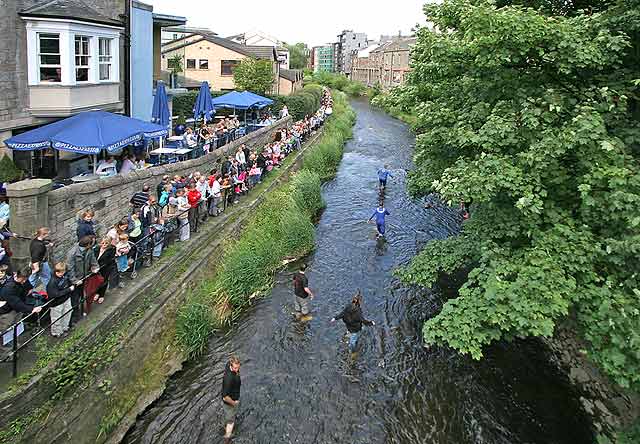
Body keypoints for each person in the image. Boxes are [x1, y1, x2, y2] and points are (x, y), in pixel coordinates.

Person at [66, 236, 99, 324]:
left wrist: (95, 267)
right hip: (77, 280)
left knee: (83, 295)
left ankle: (83, 311)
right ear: (87, 245)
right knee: (75, 299)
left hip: (85, 277)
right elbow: (70, 269)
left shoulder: (89, 250)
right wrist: (74, 281)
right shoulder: (72, 253)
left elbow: (93, 260)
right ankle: (74, 318)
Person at [0, 269, 42, 336]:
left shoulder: (23, 278)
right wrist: (32, 309)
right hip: (7, 313)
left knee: (16, 326)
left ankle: (15, 343)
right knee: (6, 331)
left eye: (26, 279)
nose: (24, 281)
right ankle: (7, 346)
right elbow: (17, 303)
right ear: (17, 275)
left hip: (18, 309)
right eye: (23, 279)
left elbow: (29, 288)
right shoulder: (8, 288)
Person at [46, 263, 74, 337]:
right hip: (57, 303)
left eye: (63, 272)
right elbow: (55, 295)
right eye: (60, 273)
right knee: (57, 318)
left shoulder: (64, 276)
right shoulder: (52, 282)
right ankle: (56, 332)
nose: (62, 274)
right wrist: (69, 290)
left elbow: (68, 282)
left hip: (66, 299)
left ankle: (65, 327)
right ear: (56, 272)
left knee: (67, 313)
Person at [221, 356, 242, 444]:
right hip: (230, 403)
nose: (237, 369)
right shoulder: (229, 379)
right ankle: (226, 439)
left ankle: (224, 424)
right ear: (231, 365)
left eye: (238, 367)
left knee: (228, 417)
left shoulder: (228, 365)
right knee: (231, 422)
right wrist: (234, 403)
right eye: (235, 368)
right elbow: (225, 397)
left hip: (231, 401)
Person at [93, 237, 115, 303]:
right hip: (96, 269)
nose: (104, 244)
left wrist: (98, 267)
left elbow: (107, 261)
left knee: (104, 281)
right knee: (96, 281)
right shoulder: (96, 248)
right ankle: (97, 293)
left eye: (106, 243)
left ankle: (101, 295)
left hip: (105, 268)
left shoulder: (112, 249)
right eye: (103, 243)